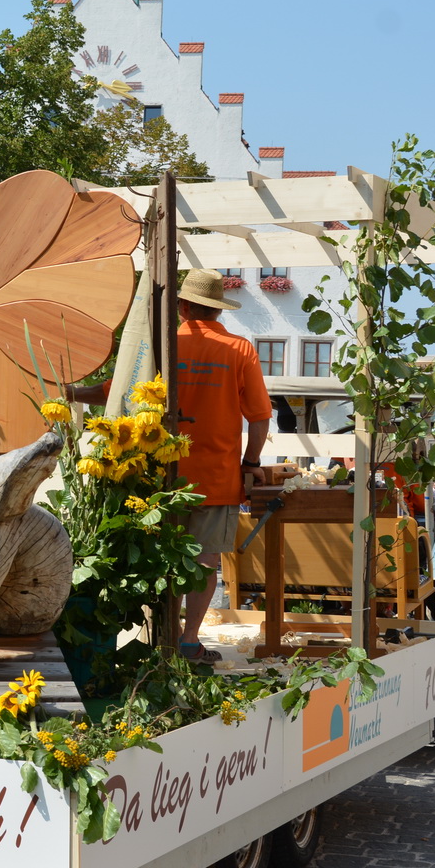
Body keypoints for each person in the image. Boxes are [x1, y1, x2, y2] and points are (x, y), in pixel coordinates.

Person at [171, 270, 270, 663]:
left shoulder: (163, 344)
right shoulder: (239, 349)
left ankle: (161, 634)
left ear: (183, 306)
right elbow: (259, 418)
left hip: (163, 476)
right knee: (204, 561)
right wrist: (252, 463)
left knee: (162, 556)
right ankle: (190, 640)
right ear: (216, 309)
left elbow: (118, 394)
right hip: (217, 477)